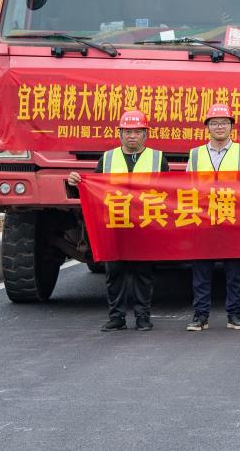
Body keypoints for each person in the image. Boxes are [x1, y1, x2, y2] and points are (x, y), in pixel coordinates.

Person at [67, 109, 170, 332]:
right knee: (115, 273)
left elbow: (168, 192)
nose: (131, 136)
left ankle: (143, 316)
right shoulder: (108, 158)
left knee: (144, 273)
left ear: (146, 134)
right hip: (115, 224)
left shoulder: (158, 158)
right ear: (120, 134)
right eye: (127, 131)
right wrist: (76, 182)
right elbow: (94, 189)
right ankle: (117, 317)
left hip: (145, 224)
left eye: (137, 131)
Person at [185, 102, 240, 332]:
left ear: (231, 126)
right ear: (207, 127)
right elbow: (186, 187)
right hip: (203, 221)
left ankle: (235, 315)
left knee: (234, 271)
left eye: (224, 123)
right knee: (201, 271)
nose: (219, 127)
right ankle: (200, 316)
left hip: (231, 219)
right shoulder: (195, 154)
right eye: (215, 123)